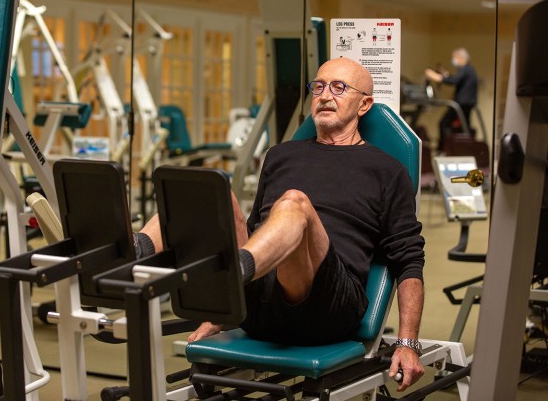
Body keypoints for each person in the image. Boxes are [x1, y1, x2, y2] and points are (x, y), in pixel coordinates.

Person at [135, 57, 425, 391]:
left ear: (364, 104)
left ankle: (230, 280)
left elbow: (408, 260)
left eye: (338, 87)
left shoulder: (387, 171)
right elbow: (255, 227)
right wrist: (220, 316)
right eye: (318, 87)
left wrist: (408, 343)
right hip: (259, 308)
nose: (325, 95)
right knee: (204, 189)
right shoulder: (281, 155)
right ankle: (132, 252)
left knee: (294, 203)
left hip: (326, 309)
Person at [425, 47, 478, 153]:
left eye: (454, 58)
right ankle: (460, 149)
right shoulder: (469, 70)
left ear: (461, 58)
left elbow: (454, 81)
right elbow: (457, 79)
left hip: (461, 104)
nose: (453, 60)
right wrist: (445, 75)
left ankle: (444, 150)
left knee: (443, 123)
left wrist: (437, 77)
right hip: (466, 104)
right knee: (464, 127)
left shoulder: (465, 69)